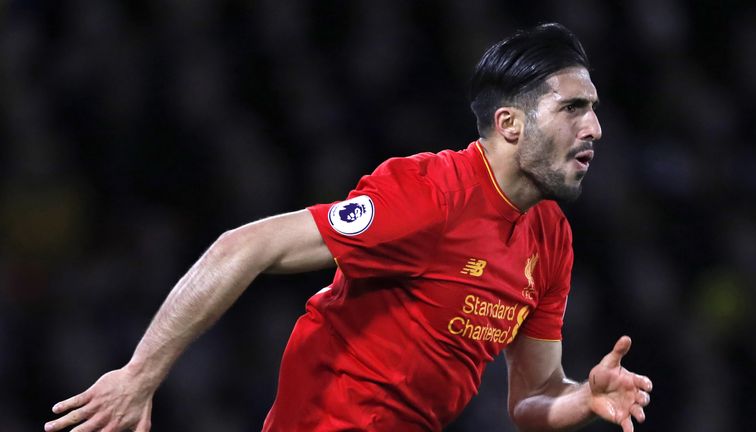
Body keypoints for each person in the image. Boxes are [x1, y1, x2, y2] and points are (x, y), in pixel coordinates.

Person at [46, 22, 652, 432]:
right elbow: (245, 245)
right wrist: (139, 377)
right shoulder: (427, 196)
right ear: (510, 124)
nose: (595, 128)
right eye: (574, 107)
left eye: (594, 109)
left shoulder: (550, 239)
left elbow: (530, 397)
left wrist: (583, 399)